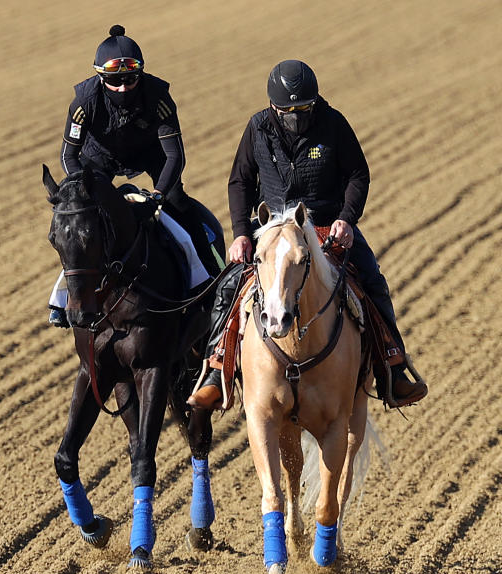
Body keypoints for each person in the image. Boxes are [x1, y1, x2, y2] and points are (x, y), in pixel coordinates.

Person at [187, 59, 427, 408]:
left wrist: (347, 218)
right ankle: (215, 369)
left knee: (373, 281)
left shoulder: (334, 124)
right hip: (271, 231)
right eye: (288, 111)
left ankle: (393, 365)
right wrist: (241, 233)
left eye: (304, 109)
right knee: (228, 287)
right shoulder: (257, 129)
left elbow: (358, 174)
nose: (297, 117)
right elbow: (240, 181)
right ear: (273, 107)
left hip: (328, 226)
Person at [47, 25, 223, 328]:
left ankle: (207, 278)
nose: (124, 87)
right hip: (97, 162)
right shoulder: (83, 102)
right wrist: (87, 191)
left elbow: (174, 156)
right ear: (101, 78)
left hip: (150, 154)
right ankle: (61, 300)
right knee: (79, 226)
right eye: (115, 81)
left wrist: (157, 199)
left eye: (130, 79)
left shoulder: (159, 97)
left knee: (181, 204)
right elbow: (68, 156)